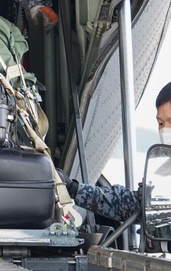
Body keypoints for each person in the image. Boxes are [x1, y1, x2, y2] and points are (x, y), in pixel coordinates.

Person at [63, 82, 171, 221]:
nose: (164, 130)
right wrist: (74, 189)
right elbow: (132, 206)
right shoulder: (164, 172)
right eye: (161, 123)